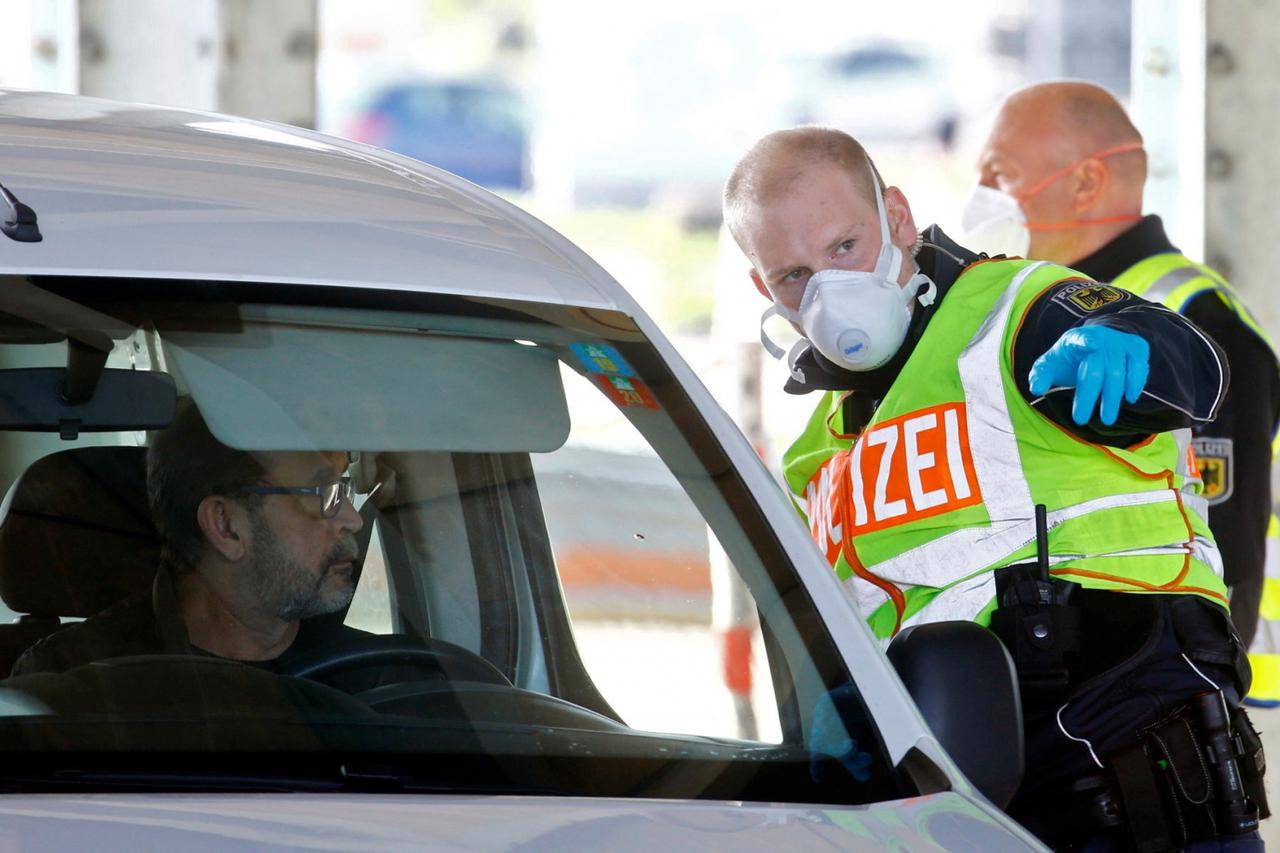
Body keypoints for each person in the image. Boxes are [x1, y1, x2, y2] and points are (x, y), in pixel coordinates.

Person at [722, 126, 1266, 849]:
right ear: (764, 287)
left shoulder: (1013, 311)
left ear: (898, 218)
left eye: (844, 248)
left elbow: (1186, 364)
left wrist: (1139, 350)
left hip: (1139, 794)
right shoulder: (816, 459)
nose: (828, 287)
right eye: (794, 276)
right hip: (969, 822)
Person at [969, 80, 1280, 707]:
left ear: (1085, 184)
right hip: (1094, 696)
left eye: (998, 174)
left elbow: (1227, 549)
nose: (981, 198)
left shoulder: (1194, 321)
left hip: (1202, 711)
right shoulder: (1039, 314)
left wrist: (1196, 708)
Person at [11, 398, 370, 681]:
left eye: (343, 490)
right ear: (226, 525)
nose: (352, 520)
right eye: (323, 492)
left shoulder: (378, 672)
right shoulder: (69, 687)